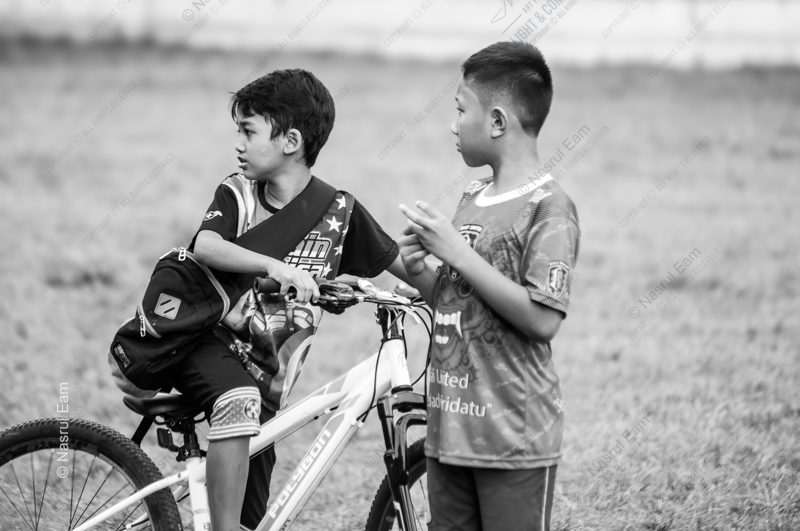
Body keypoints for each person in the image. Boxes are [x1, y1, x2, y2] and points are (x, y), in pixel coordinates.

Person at [136, 69, 409, 530]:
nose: (238, 144)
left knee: (253, 517)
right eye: (239, 132)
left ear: (291, 141)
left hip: (267, 384)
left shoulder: (339, 212)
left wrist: (443, 289)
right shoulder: (238, 193)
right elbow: (206, 245)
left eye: (248, 131)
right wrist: (273, 266)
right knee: (239, 400)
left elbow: (405, 266)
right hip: (204, 345)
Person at [398, 42, 580, 531]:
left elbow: (543, 319)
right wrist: (413, 265)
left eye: (461, 110)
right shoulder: (472, 196)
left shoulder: (549, 207)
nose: (453, 125)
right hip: (449, 430)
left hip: (513, 438)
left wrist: (457, 252)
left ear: (497, 121)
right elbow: (456, 301)